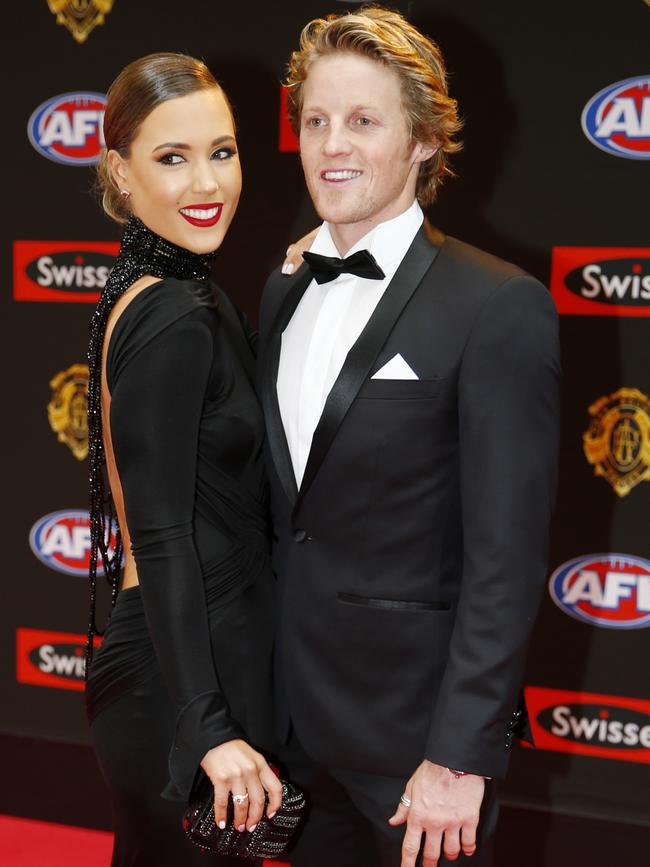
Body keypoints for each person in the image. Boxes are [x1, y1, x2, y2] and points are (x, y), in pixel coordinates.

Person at [257, 6, 560, 867]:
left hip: (417, 750)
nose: (331, 144)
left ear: (424, 140)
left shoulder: (496, 306)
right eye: (316, 120)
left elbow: (505, 557)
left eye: (362, 121)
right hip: (295, 732)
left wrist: (462, 754)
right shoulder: (283, 285)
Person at [84, 53, 285, 866]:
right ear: (119, 174)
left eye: (223, 151)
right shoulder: (172, 314)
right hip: (181, 694)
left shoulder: (155, 286)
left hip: (182, 668)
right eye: (172, 158)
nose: (208, 182)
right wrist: (208, 724)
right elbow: (159, 536)